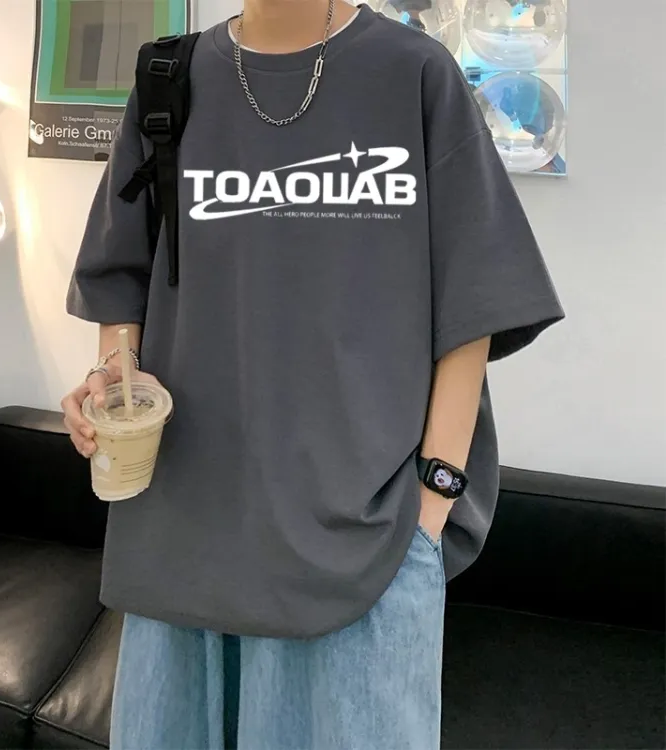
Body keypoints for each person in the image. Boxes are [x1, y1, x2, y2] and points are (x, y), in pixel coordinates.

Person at [62, 1, 564, 748]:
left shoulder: (414, 72)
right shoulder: (169, 77)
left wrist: (432, 504)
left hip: (365, 546)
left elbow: (474, 303)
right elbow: (120, 277)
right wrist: (115, 379)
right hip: (182, 532)